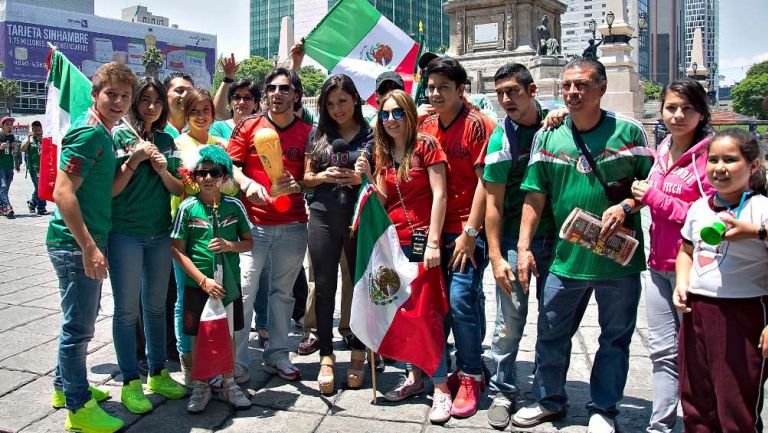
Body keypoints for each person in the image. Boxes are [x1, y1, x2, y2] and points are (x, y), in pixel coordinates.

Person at [511, 58, 653, 432]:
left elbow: (650, 188)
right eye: (568, 86)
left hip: (617, 262)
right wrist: (524, 248)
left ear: (601, 89)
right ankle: (549, 400)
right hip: (566, 258)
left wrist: (625, 206)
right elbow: (534, 195)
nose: (573, 92)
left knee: (615, 338)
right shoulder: (549, 134)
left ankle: (603, 408)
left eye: (583, 85)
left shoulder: (629, 133)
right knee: (551, 332)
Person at [46, 61, 136, 433]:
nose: (117, 101)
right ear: (96, 94)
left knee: (79, 319)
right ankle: (78, 408)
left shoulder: (105, 134)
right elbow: (62, 193)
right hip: (74, 244)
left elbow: (108, 189)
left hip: (86, 240)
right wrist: (88, 247)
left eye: (124, 96)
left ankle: (62, 387)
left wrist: (132, 162)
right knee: (79, 328)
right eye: (110, 94)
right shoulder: (87, 133)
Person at [356, 89, 450, 421]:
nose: (391, 120)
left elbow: (440, 195)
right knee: (401, 310)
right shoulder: (382, 152)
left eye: (397, 113)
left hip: (424, 241)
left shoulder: (426, 145)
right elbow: (383, 201)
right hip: (393, 243)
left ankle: (441, 387)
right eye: (385, 114)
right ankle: (414, 377)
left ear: (409, 114)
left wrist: (436, 241)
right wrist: (368, 177)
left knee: (425, 314)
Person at [629, 79, 714, 433]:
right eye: (671, 108)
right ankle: (659, 426)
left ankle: (704, 423)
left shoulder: (711, 157)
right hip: (657, 266)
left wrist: (653, 199)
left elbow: (709, 220)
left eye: (687, 109)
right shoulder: (662, 148)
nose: (678, 115)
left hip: (696, 271)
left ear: (701, 114)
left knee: (699, 356)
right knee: (662, 354)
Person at [672, 128, 768, 433]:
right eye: (713, 160)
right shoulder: (699, 208)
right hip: (698, 311)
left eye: (730, 159)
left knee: (736, 402)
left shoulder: (761, 208)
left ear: (752, 166)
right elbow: (686, 250)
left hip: (744, 313)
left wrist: (755, 232)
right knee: (696, 398)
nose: (719, 167)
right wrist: (681, 282)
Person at [483, 63, 557, 429]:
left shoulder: (556, 124)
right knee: (509, 321)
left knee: (554, 320)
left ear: (532, 91)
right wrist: (496, 256)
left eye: (513, 91)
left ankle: (547, 392)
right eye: (499, 93)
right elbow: (492, 203)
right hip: (513, 239)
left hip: (557, 240)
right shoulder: (500, 139)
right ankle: (502, 389)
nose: (506, 99)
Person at [228, 67, 312, 382]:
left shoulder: (308, 133)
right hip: (251, 225)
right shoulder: (248, 126)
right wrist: (247, 183)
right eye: (272, 88)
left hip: (292, 224)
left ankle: (277, 354)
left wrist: (300, 185)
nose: (277, 94)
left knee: (283, 294)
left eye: (284, 88)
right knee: (245, 291)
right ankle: (236, 361)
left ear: (296, 95)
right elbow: (232, 167)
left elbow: (311, 179)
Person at [108, 77, 187, 414]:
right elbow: (112, 188)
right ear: (134, 102)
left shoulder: (167, 140)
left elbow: (178, 188)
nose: (151, 107)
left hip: (159, 233)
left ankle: (158, 373)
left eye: (157, 101)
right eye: (145, 100)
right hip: (124, 233)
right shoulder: (120, 135)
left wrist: (162, 169)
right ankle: (130, 382)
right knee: (127, 311)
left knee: (157, 308)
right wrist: (135, 159)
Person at [302, 74, 374, 394]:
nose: (336, 109)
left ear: (355, 99)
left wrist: (362, 180)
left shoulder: (373, 135)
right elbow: (305, 178)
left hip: (359, 217)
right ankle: (327, 356)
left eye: (342, 101)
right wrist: (322, 176)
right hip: (322, 215)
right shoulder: (318, 135)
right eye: (330, 104)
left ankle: (359, 353)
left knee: (360, 285)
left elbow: (382, 176)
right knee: (324, 285)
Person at [171, 145, 253, 413]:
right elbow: (177, 250)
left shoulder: (235, 206)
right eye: (202, 173)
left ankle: (229, 383)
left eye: (214, 172)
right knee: (196, 335)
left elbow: (249, 242)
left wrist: (230, 245)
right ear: (194, 176)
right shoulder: (187, 208)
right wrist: (202, 280)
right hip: (198, 286)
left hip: (227, 285)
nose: (207, 178)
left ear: (225, 176)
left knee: (226, 333)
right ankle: (200, 385)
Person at [20, 120, 47, 215]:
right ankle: (41, 207)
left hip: (43, 168)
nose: (38, 133)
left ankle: (32, 202)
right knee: (39, 187)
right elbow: (22, 148)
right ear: (32, 130)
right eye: (36, 131)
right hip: (33, 168)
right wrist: (28, 138)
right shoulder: (30, 140)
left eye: (39, 130)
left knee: (39, 187)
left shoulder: (44, 139)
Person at [163, 72, 194, 139]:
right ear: (164, 95)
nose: (185, 95)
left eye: (190, 92)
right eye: (180, 90)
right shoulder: (154, 131)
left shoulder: (201, 130)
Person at [0, 116, 18, 218]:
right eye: (7, 124)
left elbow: (15, 152)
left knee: (5, 189)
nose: (10, 126)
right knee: (3, 186)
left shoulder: (12, 137)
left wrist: (15, 148)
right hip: (1, 166)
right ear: (2, 125)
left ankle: (2, 207)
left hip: (10, 166)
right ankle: (8, 207)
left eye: (11, 124)